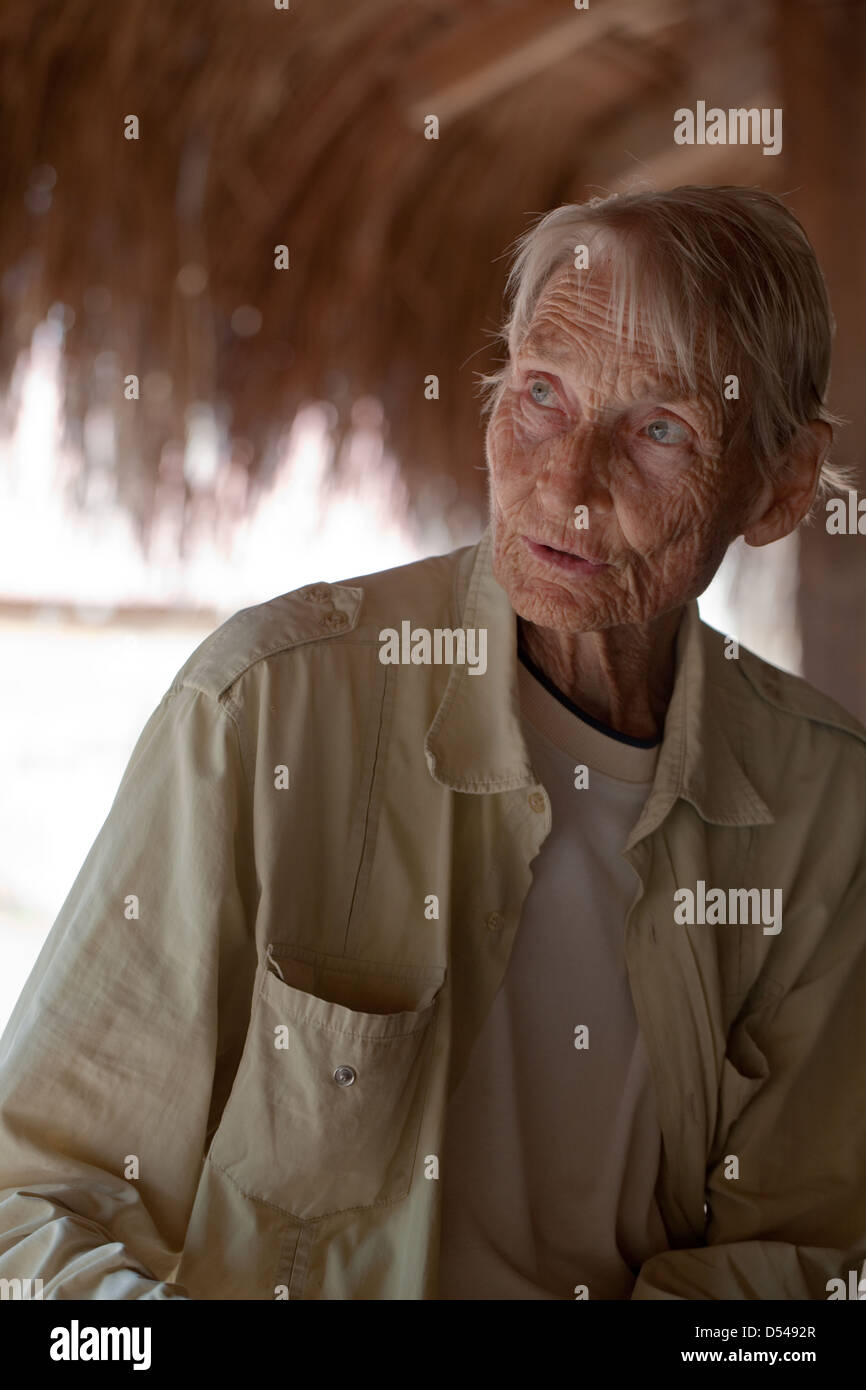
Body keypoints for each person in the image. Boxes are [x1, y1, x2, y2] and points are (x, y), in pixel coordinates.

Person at [1, 185, 864, 1301]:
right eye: (542, 393)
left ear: (784, 482)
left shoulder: (825, 812)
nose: (566, 485)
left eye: (659, 429)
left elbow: (805, 1267)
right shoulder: (266, 708)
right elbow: (32, 1206)